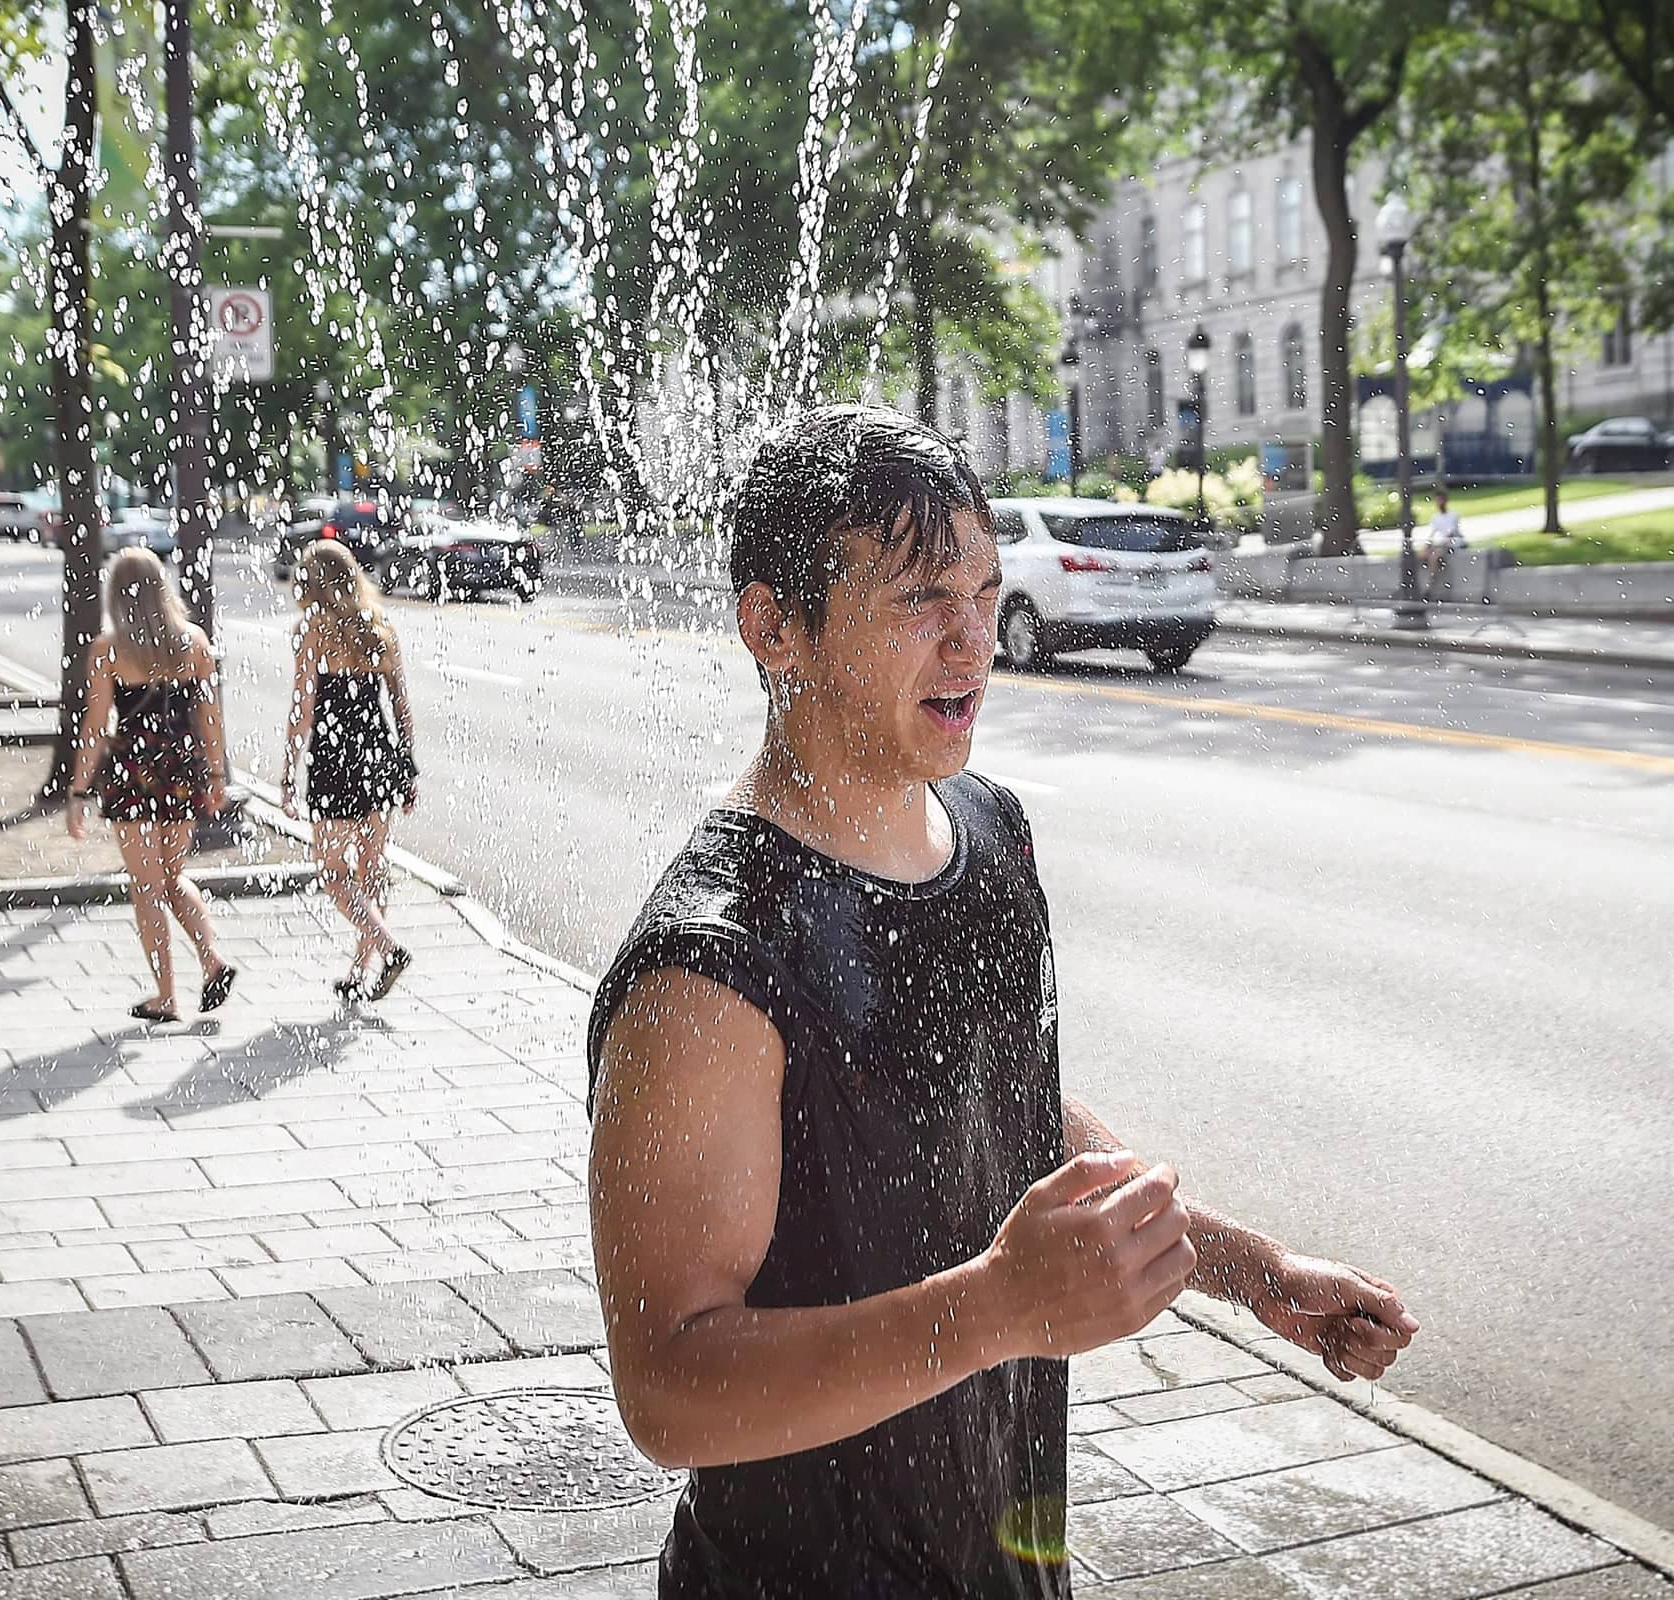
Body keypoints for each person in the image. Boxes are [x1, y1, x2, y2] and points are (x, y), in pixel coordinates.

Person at [587, 404, 1418, 1599]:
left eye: (982, 590)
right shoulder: (705, 969)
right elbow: (667, 1391)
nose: (971, 641)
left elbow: (1002, 1099)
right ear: (774, 626)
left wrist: (1253, 1272)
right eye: (919, 598)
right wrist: (996, 1309)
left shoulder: (989, 829)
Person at [65, 547, 237, 1023]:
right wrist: (217, 772)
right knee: (171, 875)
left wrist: (79, 792)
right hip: (183, 770)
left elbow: (96, 727)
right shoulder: (194, 642)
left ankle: (166, 995)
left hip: (133, 773)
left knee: (146, 886)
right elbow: (208, 716)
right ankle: (212, 960)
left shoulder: (109, 650)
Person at [280, 539, 418, 1002]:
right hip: (379, 755)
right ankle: (361, 973)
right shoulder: (380, 624)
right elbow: (399, 704)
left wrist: (287, 772)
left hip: (334, 758)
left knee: (335, 873)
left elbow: (303, 706)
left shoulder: (313, 628)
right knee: (372, 869)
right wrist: (408, 769)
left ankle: (387, 946)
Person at [1422, 490, 1465, 595]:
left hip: (1452, 544)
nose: (1439, 503)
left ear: (1446, 501)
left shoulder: (1453, 515)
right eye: (1437, 501)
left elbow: (1450, 533)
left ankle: (1430, 588)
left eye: (1441, 500)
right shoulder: (1435, 518)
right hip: (1439, 544)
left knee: (1434, 558)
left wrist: (1437, 544)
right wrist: (1427, 545)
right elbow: (1432, 533)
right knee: (1421, 556)